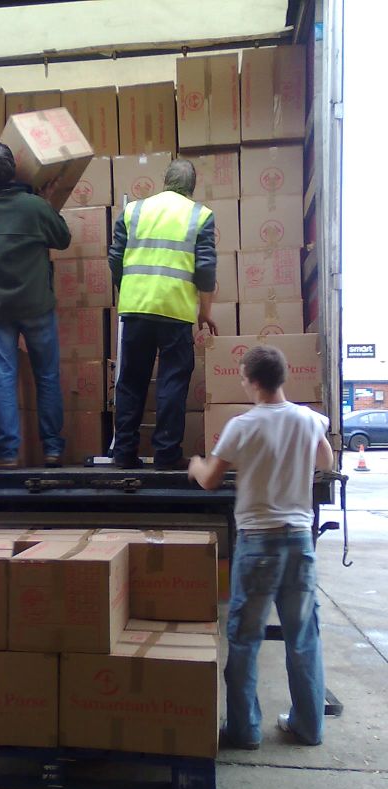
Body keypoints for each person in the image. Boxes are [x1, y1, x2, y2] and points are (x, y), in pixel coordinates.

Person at [188, 344, 334, 750]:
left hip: (258, 546)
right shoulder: (309, 420)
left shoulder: (242, 425)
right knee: (303, 637)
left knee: (245, 639)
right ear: (283, 377)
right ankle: (308, 727)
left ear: (250, 380)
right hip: (299, 544)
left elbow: (211, 479)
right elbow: (325, 461)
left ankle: (245, 730)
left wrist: (196, 463)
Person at [108, 158, 218, 470]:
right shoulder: (200, 215)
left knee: (130, 381)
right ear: (191, 188)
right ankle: (167, 455)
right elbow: (206, 269)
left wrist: (127, 288)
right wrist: (205, 312)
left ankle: (124, 454)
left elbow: (115, 257)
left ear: (165, 181)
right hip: (175, 311)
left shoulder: (135, 211)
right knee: (172, 382)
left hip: (136, 307)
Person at [0, 140, 71, 469]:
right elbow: (63, 239)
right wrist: (48, 204)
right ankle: (52, 448)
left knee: (4, 377)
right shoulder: (34, 206)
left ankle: (6, 452)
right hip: (37, 305)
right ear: (14, 167)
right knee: (47, 377)